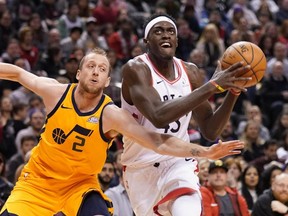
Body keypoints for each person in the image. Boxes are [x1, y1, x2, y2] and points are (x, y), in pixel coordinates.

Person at [0, 48, 244, 216]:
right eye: (90, 66)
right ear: (78, 73)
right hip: (37, 184)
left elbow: (157, 141)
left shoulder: (112, 114)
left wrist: (204, 152)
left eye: (102, 69)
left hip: (80, 187)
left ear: (107, 81)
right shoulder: (55, 92)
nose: (96, 71)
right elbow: (18, 73)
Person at [120, 13, 251, 216]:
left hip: (179, 161)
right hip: (141, 166)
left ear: (177, 40)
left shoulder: (190, 72)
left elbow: (209, 129)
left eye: (170, 31)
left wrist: (232, 92)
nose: (166, 35)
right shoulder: (136, 69)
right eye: (158, 31)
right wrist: (212, 86)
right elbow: (158, 115)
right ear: (146, 40)